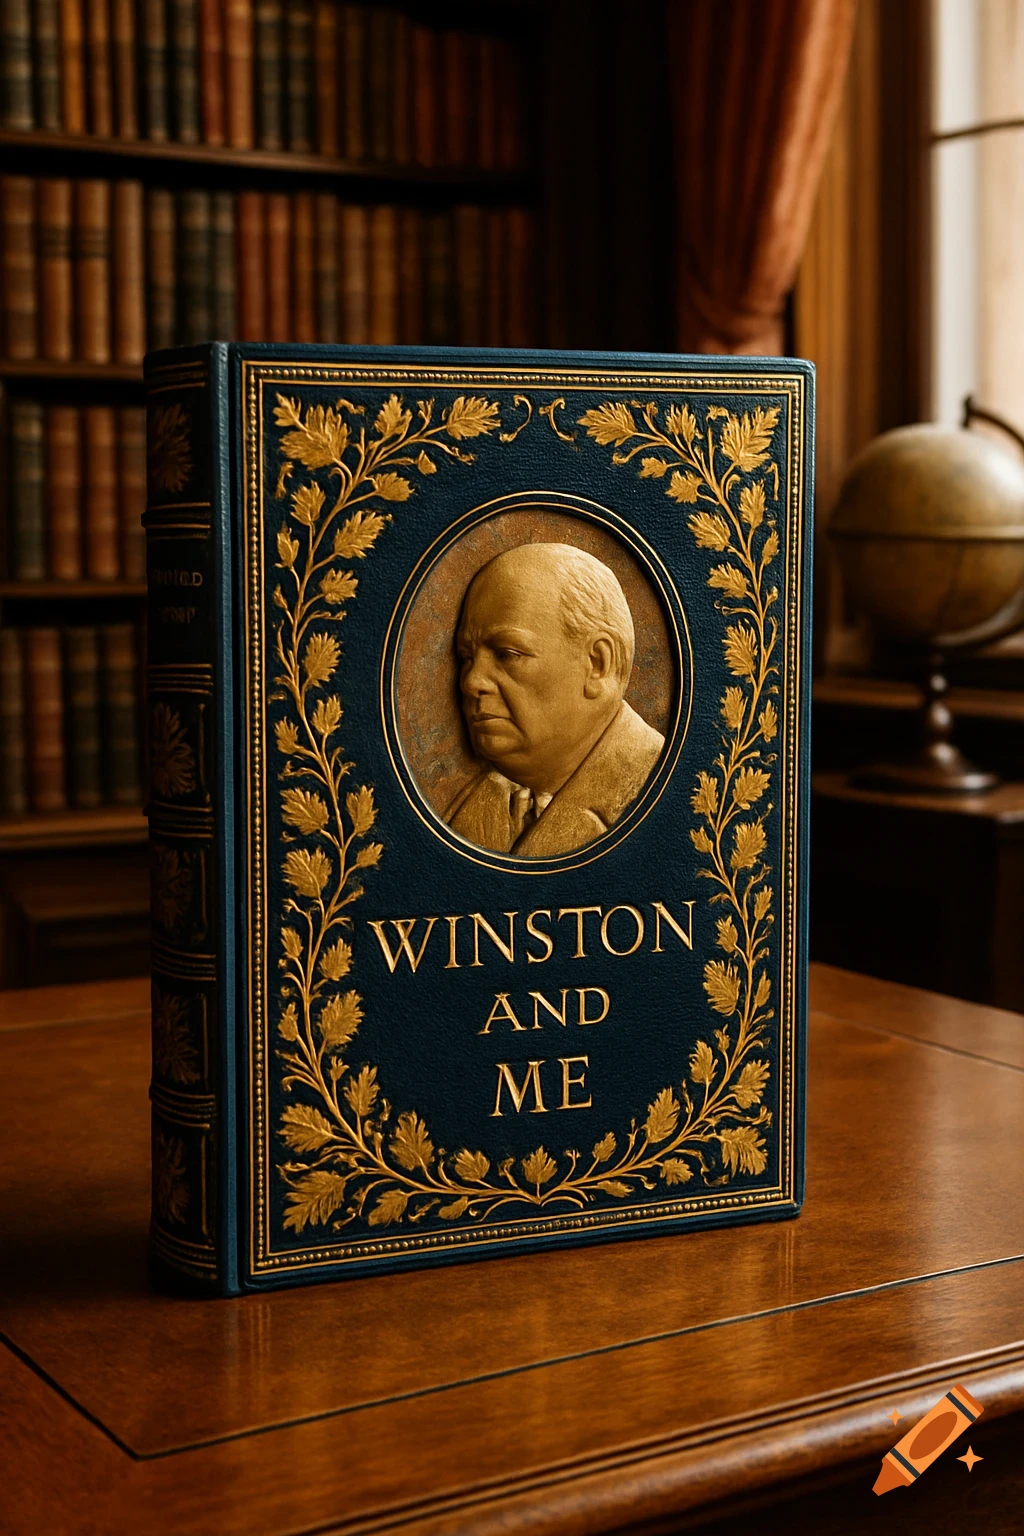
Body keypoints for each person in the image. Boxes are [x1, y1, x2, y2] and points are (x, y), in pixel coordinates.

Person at [444, 542, 665, 856]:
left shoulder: (674, 797)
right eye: (467, 657)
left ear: (597, 664)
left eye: (508, 654)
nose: (471, 681)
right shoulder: (477, 806)